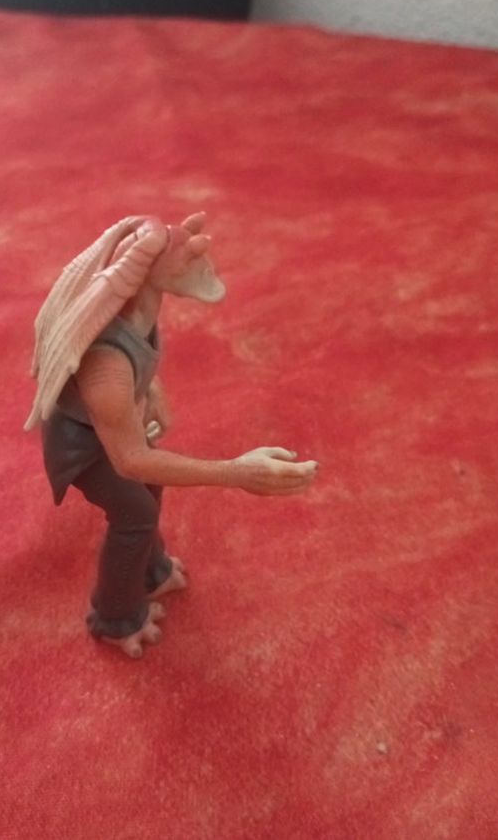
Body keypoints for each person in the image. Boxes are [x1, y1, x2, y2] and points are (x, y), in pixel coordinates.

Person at [25, 213, 318, 658]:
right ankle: (114, 616)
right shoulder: (107, 369)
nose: (198, 256)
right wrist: (236, 472)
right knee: (135, 513)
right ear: (145, 271)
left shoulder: (137, 316)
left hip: (115, 427)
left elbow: (138, 355)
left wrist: (152, 389)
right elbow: (129, 460)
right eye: (181, 254)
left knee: (150, 492)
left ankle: (151, 571)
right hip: (86, 447)